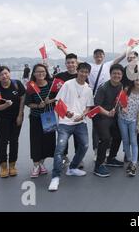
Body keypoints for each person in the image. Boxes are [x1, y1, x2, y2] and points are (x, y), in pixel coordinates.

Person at [48, 62, 95, 191]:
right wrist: (67, 113)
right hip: (65, 122)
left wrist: (84, 115)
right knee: (60, 149)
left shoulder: (88, 89)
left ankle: (72, 168)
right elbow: (58, 101)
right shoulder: (68, 84)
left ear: (88, 74)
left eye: (86, 72)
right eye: (82, 71)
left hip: (80, 122)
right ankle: (55, 177)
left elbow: (88, 107)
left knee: (85, 145)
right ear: (77, 71)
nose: (83, 74)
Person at [0, 66, 26, 178]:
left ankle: (12, 166)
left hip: (17, 117)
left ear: (9, 73)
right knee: (3, 141)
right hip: (3, 118)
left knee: (14, 140)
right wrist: (5, 105)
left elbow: (23, 98)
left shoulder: (17, 84)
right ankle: (3, 167)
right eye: (1, 75)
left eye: (6, 73)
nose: (4, 76)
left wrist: (20, 114)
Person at [25, 64, 57, 178]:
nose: (40, 73)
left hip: (49, 117)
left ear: (46, 72)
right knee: (36, 141)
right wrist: (39, 105)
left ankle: (42, 164)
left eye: (43, 71)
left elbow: (58, 97)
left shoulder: (51, 84)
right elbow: (28, 103)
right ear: (33, 74)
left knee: (48, 142)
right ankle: (36, 165)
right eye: (38, 72)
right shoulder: (31, 86)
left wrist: (50, 100)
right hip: (36, 118)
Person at [93, 64, 126, 177]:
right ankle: (98, 166)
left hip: (113, 116)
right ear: (110, 74)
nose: (117, 75)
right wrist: (107, 113)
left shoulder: (121, 86)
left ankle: (111, 158)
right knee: (105, 139)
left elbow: (119, 101)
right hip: (101, 117)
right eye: (114, 73)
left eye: (119, 74)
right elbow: (96, 106)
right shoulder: (103, 88)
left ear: (122, 75)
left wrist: (121, 106)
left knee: (118, 136)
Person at [54, 53, 84, 168]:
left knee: (78, 136)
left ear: (77, 64)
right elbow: (54, 92)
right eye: (68, 62)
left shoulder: (81, 76)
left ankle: (78, 158)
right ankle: (64, 157)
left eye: (73, 62)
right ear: (65, 64)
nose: (70, 65)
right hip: (63, 111)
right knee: (63, 136)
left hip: (77, 110)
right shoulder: (59, 76)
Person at [118, 74, 139, 177]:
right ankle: (130, 160)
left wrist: (138, 124)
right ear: (133, 81)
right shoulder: (127, 89)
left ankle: (134, 164)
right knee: (125, 141)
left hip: (133, 120)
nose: (138, 82)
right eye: (136, 80)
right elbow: (119, 101)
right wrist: (122, 107)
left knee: (133, 141)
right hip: (122, 119)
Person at [122, 51, 139, 162]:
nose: (131, 59)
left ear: (137, 58)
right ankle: (127, 153)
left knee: (137, 129)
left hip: (138, 103)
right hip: (126, 105)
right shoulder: (123, 70)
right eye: (129, 58)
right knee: (125, 131)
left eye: (133, 57)